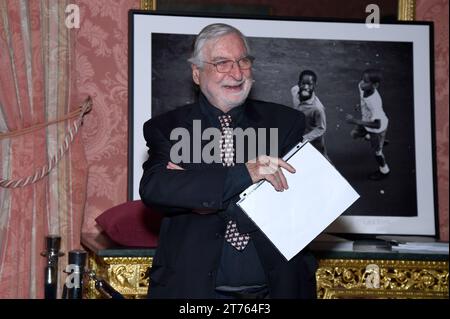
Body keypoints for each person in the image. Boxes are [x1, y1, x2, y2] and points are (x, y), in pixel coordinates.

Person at [140, 23, 317, 299]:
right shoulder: (168, 129)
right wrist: (247, 173)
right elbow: (156, 190)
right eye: (222, 63)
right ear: (197, 74)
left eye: (243, 61)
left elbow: (303, 204)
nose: (236, 73)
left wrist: (201, 195)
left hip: (275, 291)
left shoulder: (285, 123)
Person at [346, 68, 390, 180]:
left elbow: (377, 125)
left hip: (376, 130)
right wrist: (360, 106)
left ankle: (384, 170)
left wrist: (354, 121)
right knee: (354, 134)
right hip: (366, 122)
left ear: (375, 85)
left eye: (366, 82)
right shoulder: (361, 86)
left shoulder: (374, 102)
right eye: (363, 79)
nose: (362, 83)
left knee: (377, 153)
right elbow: (362, 99)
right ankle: (377, 140)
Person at [290, 70, 330, 161]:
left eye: (310, 84)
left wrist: (305, 139)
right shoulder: (294, 91)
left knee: (322, 159)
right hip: (300, 132)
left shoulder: (317, 108)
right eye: (303, 83)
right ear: (299, 83)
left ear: (315, 85)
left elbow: (321, 128)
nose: (306, 87)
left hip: (314, 139)